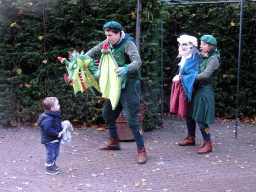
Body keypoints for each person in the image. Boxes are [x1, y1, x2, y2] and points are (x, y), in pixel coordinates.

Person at [86, 21, 147, 164]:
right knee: (107, 114)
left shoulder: (128, 43)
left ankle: (141, 149)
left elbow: (138, 62)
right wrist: (83, 60)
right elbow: (92, 52)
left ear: (118, 34)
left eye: (110, 35)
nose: (108, 38)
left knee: (132, 120)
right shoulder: (107, 42)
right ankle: (114, 142)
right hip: (115, 86)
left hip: (130, 85)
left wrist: (126, 68)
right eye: (106, 35)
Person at [179, 35, 220, 154]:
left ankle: (208, 143)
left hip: (205, 91)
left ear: (210, 46)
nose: (200, 46)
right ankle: (191, 138)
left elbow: (206, 75)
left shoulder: (214, 59)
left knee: (201, 119)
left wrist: (186, 77)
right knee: (189, 115)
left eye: (203, 44)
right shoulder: (203, 56)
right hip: (196, 89)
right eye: (200, 44)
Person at [170, 34, 200, 118]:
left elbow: (194, 74)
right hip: (183, 87)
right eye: (181, 44)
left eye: (185, 44)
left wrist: (180, 78)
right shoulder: (185, 57)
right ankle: (190, 131)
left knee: (191, 115)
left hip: (192, 89)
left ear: (191, 45)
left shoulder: (195, 57)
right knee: (187, 116)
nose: (182, 47)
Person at [38, 97, 63, 175]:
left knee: (56, 153)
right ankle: (49, 168)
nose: (59, 106)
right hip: (50, 140)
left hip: (55, 139)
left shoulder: (54, 115)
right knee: (51, 154)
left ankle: (52, 164)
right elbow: (48, 130)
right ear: (52, 108)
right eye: (57, 104)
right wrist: (57, 134)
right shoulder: (47, 118)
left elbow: (56, 125)